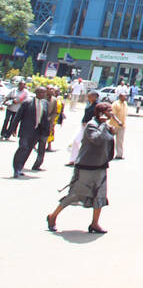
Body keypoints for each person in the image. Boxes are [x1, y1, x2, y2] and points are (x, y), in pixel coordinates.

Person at [46, 101, 115, 233]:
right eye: (109, 111)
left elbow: (107, 143)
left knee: (99, 195)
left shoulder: (105, 125)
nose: (111, 114)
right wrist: (103, 125)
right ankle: (53, 216)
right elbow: (96, 139)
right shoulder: (92, 125)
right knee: (75, 194)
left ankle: (95, 223)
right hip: (86, 166)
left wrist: (111, 132)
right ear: (101, 113)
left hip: (100, 165)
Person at [12, 86, 52, 176]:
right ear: (37, 93)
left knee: (28, 150)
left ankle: (20, 168)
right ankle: (16, 169)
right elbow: (18, 116)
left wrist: (46, 131)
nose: (44, 94)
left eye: (45, 92)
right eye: (43, 92)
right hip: (26, 130)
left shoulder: (45, 103)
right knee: (23, 148)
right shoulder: (27, 102)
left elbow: (45, 119)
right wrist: (13, 128)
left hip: (37, 131)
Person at [110, 89, 128, 159]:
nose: (125, 97)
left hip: (122, 126)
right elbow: (113, 114)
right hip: (114, 125)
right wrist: (118, 121)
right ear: (120, 96)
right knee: (110, 140)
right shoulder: (115, 104)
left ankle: (119, 154)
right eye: (124, 96)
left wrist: (122, 122)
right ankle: (109, 154)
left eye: (126, 96)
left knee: (120, 141)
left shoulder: (125, 104)